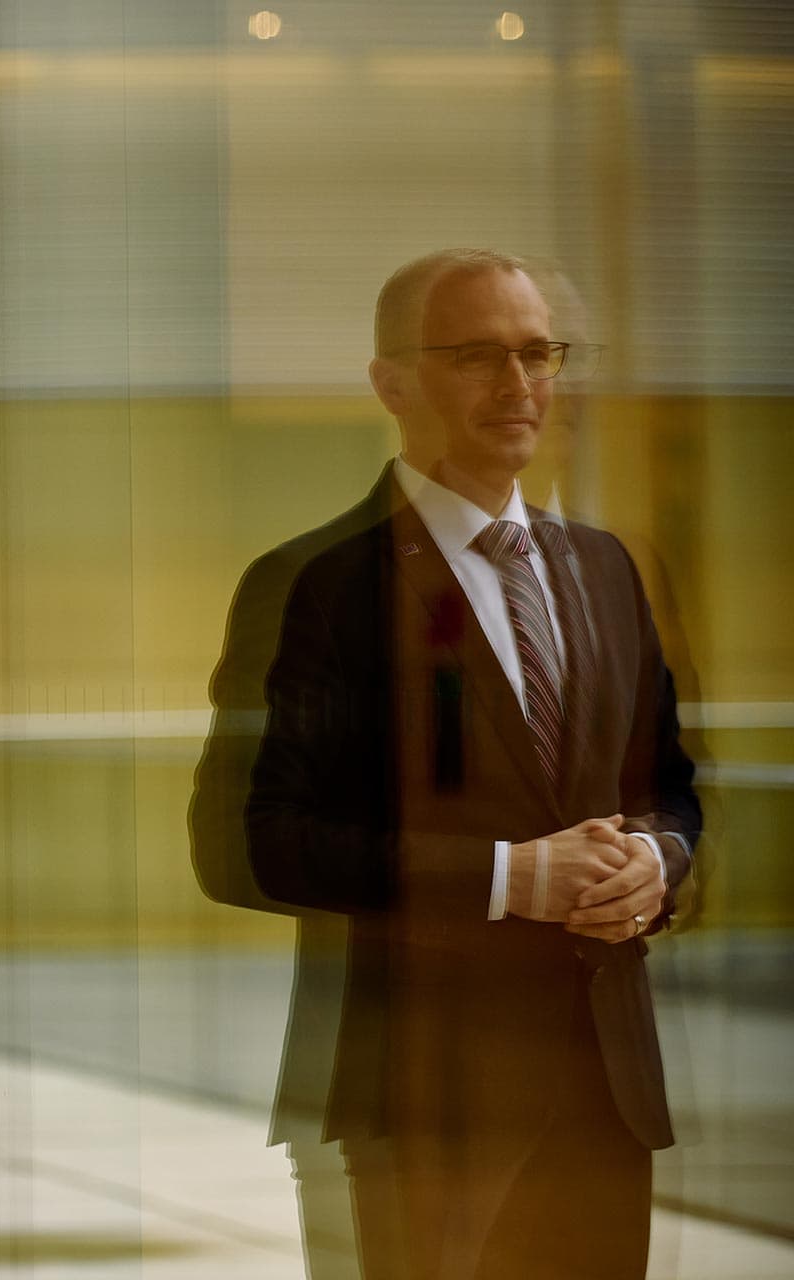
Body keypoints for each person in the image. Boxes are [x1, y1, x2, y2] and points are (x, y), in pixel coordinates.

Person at [229, 248, 699, 1279]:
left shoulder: (609, 568)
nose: (518, 383)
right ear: (391, 383)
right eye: (478, 354)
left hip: (604, 1083)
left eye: (538, 352)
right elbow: (260, 842)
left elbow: (669, 784)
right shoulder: (317, 582)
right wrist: (504, 877)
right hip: (423, 1096)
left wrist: (658, 861)